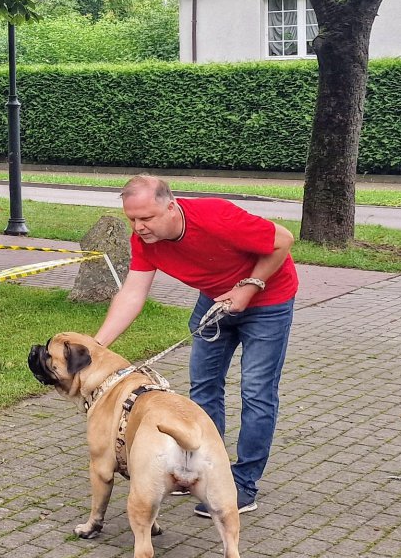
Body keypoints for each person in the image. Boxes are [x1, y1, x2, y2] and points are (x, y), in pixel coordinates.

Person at [93, 175, 297, 517]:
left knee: (256, 391)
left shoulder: (216, 217)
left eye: (147, 217)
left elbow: (283, 240)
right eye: (132, 219)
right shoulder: (145, 240)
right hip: (216, 300)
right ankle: (202, 469)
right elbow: (132, 293)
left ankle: (242, 484)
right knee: (203, 388)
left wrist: (249, 287)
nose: (139, 227)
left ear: (171, 207)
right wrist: (97, 348)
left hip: (268, 300)